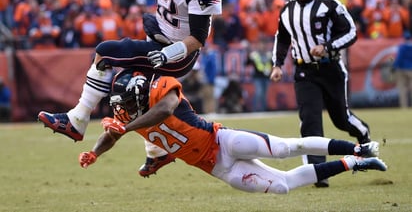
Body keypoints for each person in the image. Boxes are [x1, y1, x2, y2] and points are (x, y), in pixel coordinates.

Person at [38, 0, 222, 177]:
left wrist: (168, 54)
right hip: (160, 37)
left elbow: (198, 39)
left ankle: (78, 120)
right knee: (136, 91)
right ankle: (157, 153)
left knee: (104, 54)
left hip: (179, 52)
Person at [78, 69, 386, 195]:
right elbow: (113, 133)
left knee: (283, 148)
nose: (123, 111)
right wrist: (95, 152)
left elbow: (164, 112)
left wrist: (128, 126)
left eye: (127, 105)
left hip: (221, 140)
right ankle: (356, 164)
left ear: (137, 95)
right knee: (282, 187)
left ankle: (357, 149)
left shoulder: (162, 91)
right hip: (216, 167)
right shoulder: (127, 113)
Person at [270, 0, 372, 188]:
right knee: (310, 120)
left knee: (341, 119)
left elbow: (351, 32)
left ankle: (363, 134)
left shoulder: (330, 4)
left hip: (330, 68)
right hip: (304, 71)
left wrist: (327, 46)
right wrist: (277, 65)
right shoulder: (287, 10)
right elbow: (282, 38)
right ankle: (317, 173)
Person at [392, 33, 412, 108]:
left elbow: (399, 58)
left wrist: (394, 67)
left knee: (402, 89)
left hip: (402, 69)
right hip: (411, 69)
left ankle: (404, 106)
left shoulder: (402, 47)